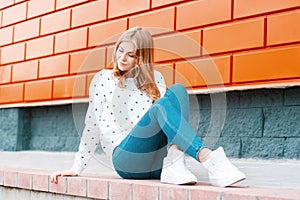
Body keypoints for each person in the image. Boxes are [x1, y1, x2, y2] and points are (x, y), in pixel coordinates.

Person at [50, 26, 246, 187]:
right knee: (161, 105)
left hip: (157, 162)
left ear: (141, 59)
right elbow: (92, 125)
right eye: (120, 50)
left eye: (131, 55)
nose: (122, 58)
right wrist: (76, 168)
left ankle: (175, 162)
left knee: (178, 90)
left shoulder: (156, 80)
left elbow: (168, 122)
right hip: (127, 160)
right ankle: (207, 157)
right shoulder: (103, 78)